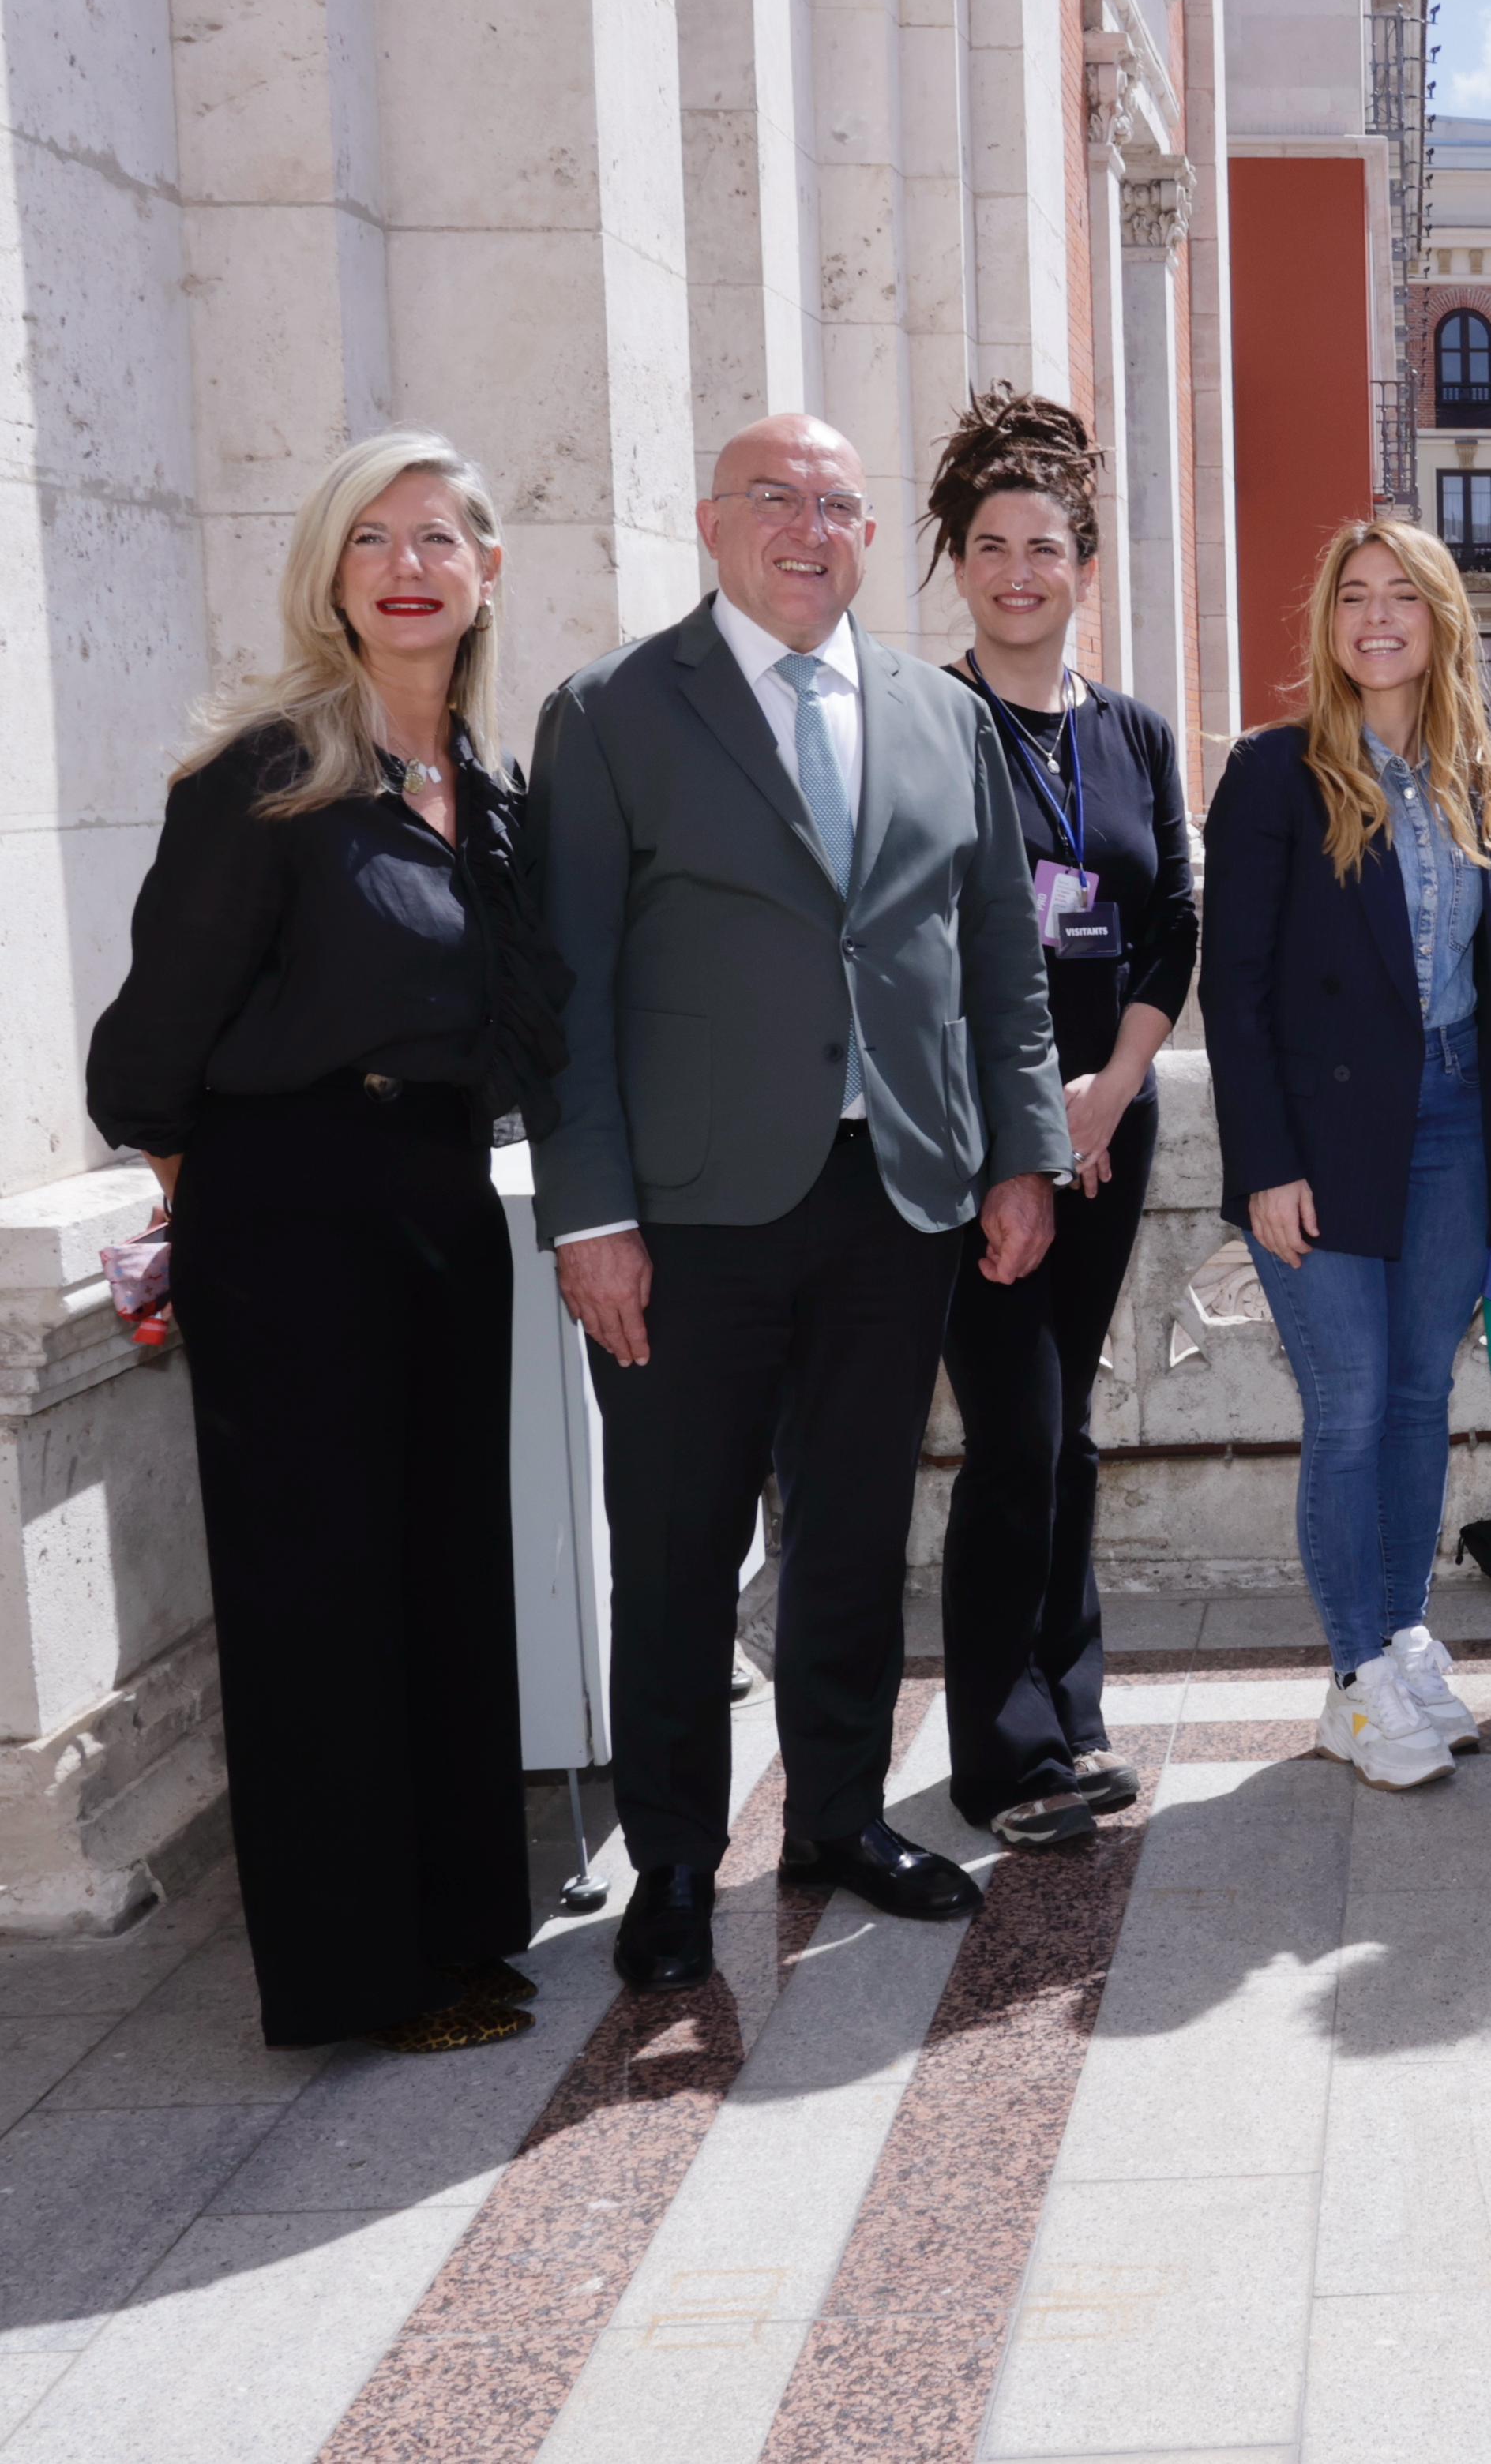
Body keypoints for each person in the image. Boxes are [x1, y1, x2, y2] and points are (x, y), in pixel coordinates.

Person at [531, 413, 1071, 1993]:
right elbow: (566, 993)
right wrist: (589, 1216)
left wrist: (1020, 1152)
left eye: (836, 504)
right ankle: (673, 1861)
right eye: (772, 498)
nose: (806, 528)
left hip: (896, 1196)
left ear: (868, 537)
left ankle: (838, 1817)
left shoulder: (939, 714)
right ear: (713, 524)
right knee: (678, 1542)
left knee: (852, 1526)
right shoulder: (613, 711)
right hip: (687, 1215)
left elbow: (998, 958)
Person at [86, 432, 553, 2053]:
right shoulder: (266, 777)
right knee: (320, 1597)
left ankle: (461, 1931)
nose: (406, 566)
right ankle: (358, 1978)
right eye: (372, 539)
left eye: (438, 537)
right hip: (290, 1214)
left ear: (488, 572)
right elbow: (144, 1060)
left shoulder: (491, 793)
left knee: (448, 1571)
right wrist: (228, 1193)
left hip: (441, 1201)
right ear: (330, 576)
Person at [1204, 516, 1491, 1788]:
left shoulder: (1478, 778)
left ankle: (1398, 1641)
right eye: (1354, 596)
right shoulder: (1275, 771)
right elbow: (1234, 989)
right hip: (1321, 1134)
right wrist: (1265, 1164)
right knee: (1347, 1403)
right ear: (1328, 624)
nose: (1377, 616)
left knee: (1418, 1395)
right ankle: (1353, 1678)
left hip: (1453, 1118)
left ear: (1442, 621)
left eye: (1402, 595)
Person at [923, 393, 1196, 1850]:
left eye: (1045, 548)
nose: (1019, 572)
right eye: (991, 547)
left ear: (1085, 568)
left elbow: (1173, 921)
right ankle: (1001, 1752)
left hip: (1110, 1118)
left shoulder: (1134, 732)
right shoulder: (925, 724)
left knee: (1068, 1425)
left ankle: (1070, 1704)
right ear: (958, 567)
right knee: (1017, 1430)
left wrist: (1112, 1088)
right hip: (982, 1139)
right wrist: (1028, 1127)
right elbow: (918, 948)